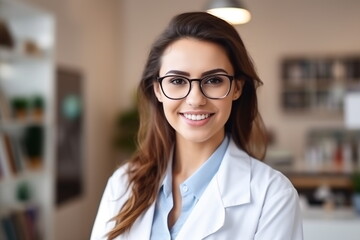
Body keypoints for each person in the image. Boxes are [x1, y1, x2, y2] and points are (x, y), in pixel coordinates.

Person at [91, 12, 303, 240]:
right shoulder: (123, 184)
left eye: (213, 80)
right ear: (158, 90)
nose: (195, 99)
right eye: (177, 81)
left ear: (237, 88)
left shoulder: (273, 195)